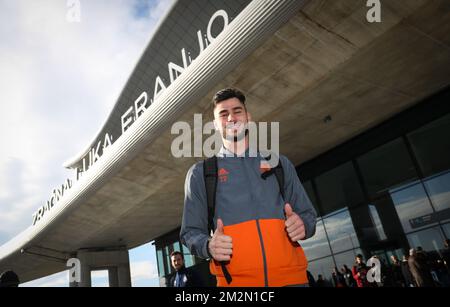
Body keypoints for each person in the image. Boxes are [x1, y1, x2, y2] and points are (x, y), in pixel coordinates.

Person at [180, 88, 317, 287]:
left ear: (248, 117)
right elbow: (190, 232)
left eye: (237, 111)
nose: (232, 118)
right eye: (223, 114)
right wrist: (208, 246)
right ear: (215, 125)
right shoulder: (200, 174)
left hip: (293, 282)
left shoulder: (279, 164)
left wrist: (302, 224)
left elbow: (308, 215)